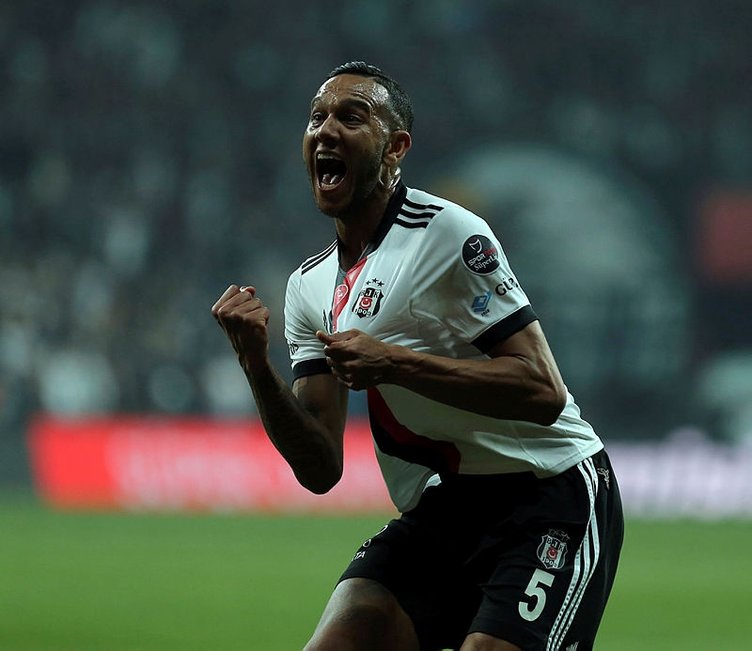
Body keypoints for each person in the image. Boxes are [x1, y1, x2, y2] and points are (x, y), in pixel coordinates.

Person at [212, 61, 623, 651]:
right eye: (317, 118)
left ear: (395, 148)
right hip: (447, 506)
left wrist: (395, 364)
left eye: (352, 117)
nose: (326, 130)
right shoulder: (308, 286)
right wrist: (256, 364)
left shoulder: (448, 234)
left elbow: (542, 391)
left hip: (547, 491)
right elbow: (319, 467)